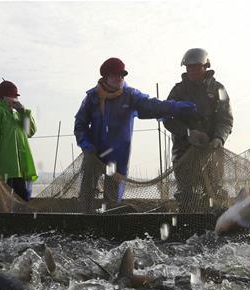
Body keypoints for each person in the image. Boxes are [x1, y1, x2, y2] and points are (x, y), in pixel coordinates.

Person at [74, 57, 197, 212]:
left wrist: (177, 107)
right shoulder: (92, 97)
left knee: (112, 200)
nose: (119, 78)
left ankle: (106, 228)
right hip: (94, 154)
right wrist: (86, 145)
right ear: (105, 77)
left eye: (122, 75)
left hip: (118, 157)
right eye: (115, 75)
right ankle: (85, 221)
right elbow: (80, 125)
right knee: (86, 194)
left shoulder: (130, 95)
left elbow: (153, 105)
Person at [163, 48, 233, 211]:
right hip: (183, 152)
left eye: (196, 67)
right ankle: (187, 228)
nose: (192, 70)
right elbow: (167, 118)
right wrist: (187, 133)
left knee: (215, 191)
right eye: (188, 67)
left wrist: (218, 138)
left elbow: (226, 119)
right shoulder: (178, 91)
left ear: (205, 66)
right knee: (186, 194)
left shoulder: (219, 89)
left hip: (211, 150)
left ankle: (216, 229)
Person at [0, 80, 38, 201]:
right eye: (14, 97)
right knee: (3, 204)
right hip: (3, 170)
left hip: (22, 171)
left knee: (23, 204)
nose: (16, 100)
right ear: (4, 97)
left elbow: (30, 131)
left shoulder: (17, 115)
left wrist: (23, 113)